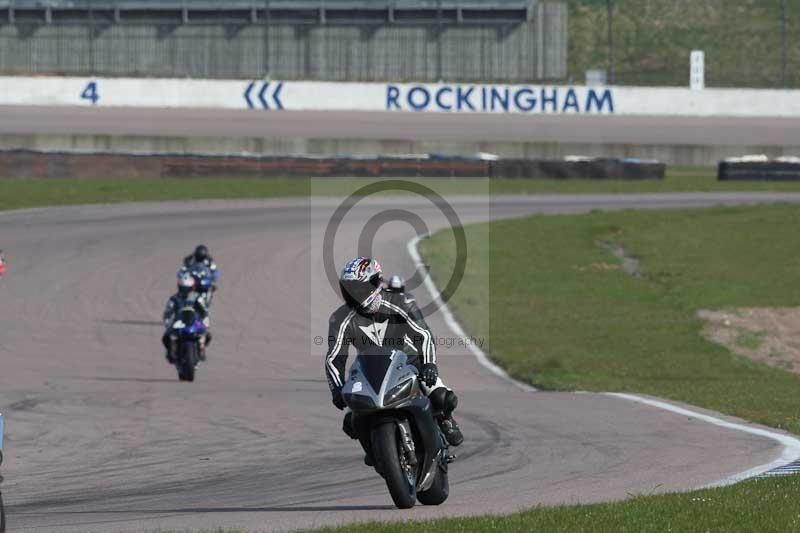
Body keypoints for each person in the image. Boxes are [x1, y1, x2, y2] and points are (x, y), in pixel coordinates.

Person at [324, 256, 463, 447]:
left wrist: (429, 364)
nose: (354, 294)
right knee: (351, 423)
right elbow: (334, 357)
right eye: (349, 289)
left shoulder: (401, 302)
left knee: (442, 398)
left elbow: (424, 334)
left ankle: (446, 419)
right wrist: (337, 389)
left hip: (410, 363)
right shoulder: (340, 319)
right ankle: (375, 450)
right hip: (369, 371)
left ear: (376, 283)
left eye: (359, 288)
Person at [162, 272, 211, 362]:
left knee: (207, 335)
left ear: (192, 288)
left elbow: (204, 310)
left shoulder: (197, 297)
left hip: (194, 321)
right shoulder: (175, 298)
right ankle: (172, 352)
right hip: (179, 321)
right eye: (183, 288)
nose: (185, 290)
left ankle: (201, 349)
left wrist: (205, 320)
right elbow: (168, 312)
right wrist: (167, 322)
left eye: (186, 288)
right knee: (166, 337)